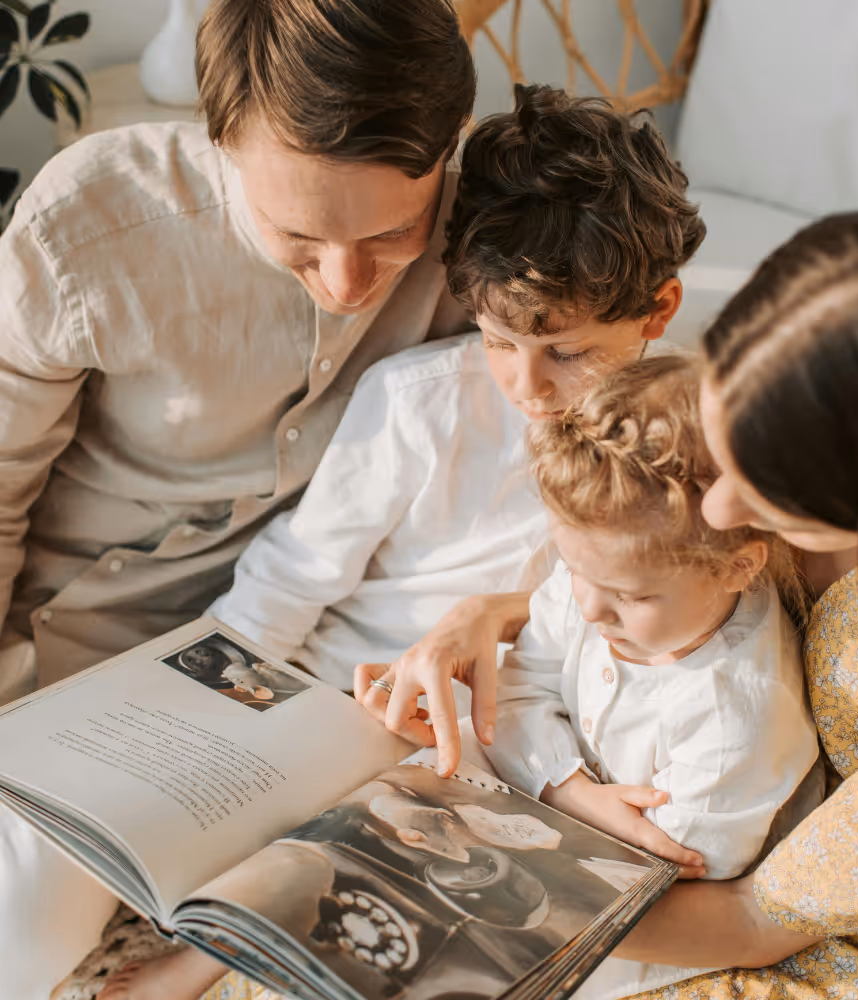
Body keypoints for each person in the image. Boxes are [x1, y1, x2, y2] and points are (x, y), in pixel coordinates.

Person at [117, 82, 704, 1000]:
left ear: (659, 309)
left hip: (503, 727)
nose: (530, 385)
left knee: (477, 835)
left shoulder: (680, 433)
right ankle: (221, 937)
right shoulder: (417, 403)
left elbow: (656, 598)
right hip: (349, 691)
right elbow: (289, 580)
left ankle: (250, 939)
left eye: (571, 354)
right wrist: (192, 714)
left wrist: (501, 623)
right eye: (500, 340)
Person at [370, 207, 858, 998]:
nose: (720, 507)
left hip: (812, 912)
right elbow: (650, 576)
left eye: (766, 484)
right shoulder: (778, 419)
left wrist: (469, 903)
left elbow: (753, 920)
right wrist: (491, 613)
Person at [2, 1, 476, 995]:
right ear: (224, 146)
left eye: (392, 234)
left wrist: (494, 611)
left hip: (287, 666)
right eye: (297, 237)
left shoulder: (485, 234)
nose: (348, 282)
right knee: (19, 935)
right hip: (70, 663)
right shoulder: (88, 224)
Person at [485, 354, 818, 997]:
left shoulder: (733, 715)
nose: (587, 606)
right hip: (566, 816)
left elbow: (670, 869)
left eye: (629, 597)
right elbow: (516, 690)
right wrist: (568, 790)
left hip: (661, 924)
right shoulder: (602, 571)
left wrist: (546, 785)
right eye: (573, 570)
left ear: (735, 569)